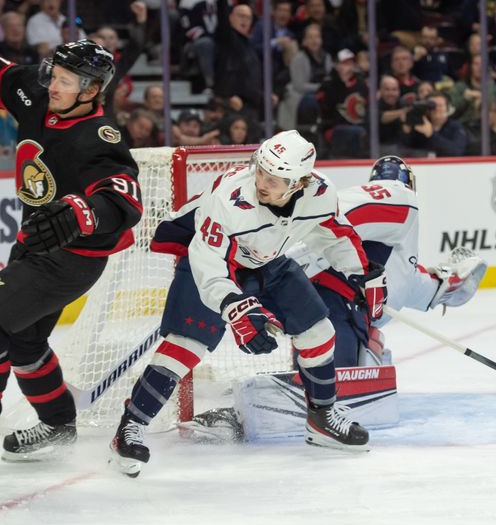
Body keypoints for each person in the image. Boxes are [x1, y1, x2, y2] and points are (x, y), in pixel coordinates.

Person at [0, 13, 142, 474]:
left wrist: (80, 213)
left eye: (68, 81)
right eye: (55, 74)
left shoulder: (100, 137)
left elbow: (123, 198)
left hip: (73, 258)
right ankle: (57, 424)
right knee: (25, 341)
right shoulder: (38, 95)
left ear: (92, 90)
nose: (55, 85)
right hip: (35, 245)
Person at [110, 130, 384, 477]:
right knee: (186, 346)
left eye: (274, 179)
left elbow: (332, 231)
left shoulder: (320, 193)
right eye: (260, 172)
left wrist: (365, 272)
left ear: (300, 183)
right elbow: (209, 263)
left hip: (267, 260)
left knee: (319, 332)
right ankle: (130, 426)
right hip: (209, 258)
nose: (262, 183)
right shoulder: (230, 199)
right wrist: (236, 309)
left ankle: (321, 418)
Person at [288, 156, 487, 368]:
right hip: (333, 310)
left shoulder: (404, 266)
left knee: (342, 375)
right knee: (328, 392)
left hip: (340, 319)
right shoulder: (400, 196)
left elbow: (440, 290)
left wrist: (458, 279)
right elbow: (343, 214)